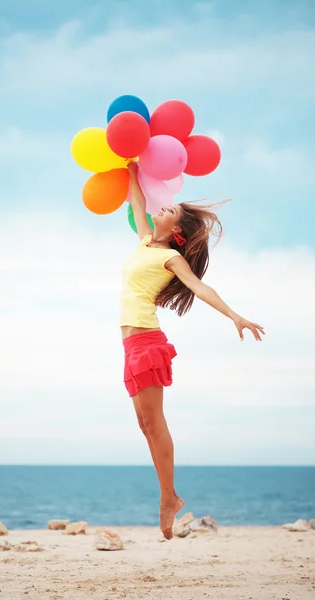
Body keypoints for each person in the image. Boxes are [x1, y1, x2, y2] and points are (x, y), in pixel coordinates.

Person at [121, 162, 265, 540]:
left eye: (173, 211)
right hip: (130, 345)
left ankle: (168, 497)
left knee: (154, 423)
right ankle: (168, 496)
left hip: (147, 343)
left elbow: (201, 289)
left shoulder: (171, 258)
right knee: (144, 425)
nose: (164, 207)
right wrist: (131, 169)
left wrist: (234, 315)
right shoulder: (144, 242)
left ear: (179, 233)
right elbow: (137, 203)